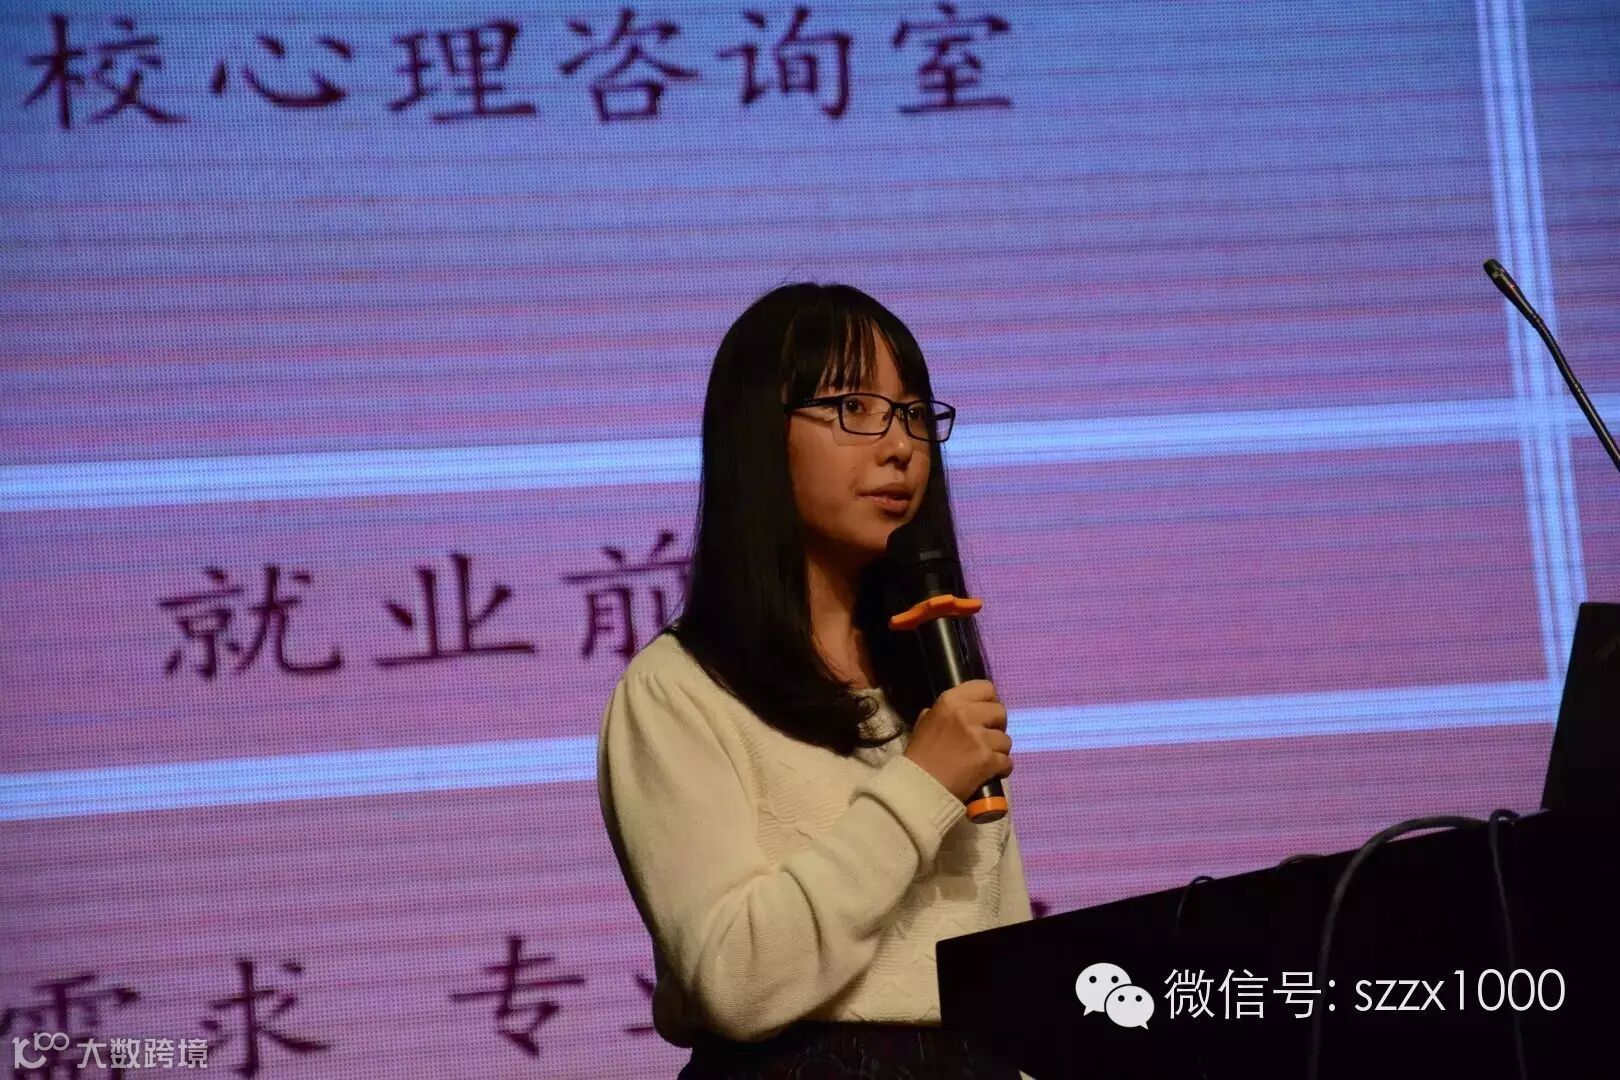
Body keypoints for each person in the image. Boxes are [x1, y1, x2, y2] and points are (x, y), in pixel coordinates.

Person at [597, 282, 1033, 1079]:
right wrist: (920, 786)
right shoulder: (680, 689)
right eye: (855, 408)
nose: (900, 447)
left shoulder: (933, 675)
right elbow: (736, 979)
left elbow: (1007, 976)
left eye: (913, 414)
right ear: (760, 437)